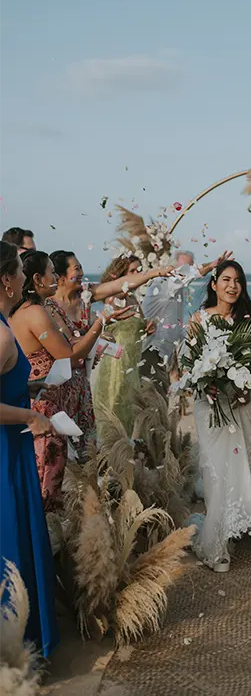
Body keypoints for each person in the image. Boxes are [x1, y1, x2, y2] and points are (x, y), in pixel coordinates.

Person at [9, 251, 132, 498]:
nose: (56, 277)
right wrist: (101, 323)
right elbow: (70, 356)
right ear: (38, 279)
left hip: (50, 401)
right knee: (47, 480)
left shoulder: (36, 309)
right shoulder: (34, 312)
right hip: (46, 406)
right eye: (52, 272)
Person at [185, 260, 251, 572]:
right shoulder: (199, 320)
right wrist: (205, 385)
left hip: (241, 401)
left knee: (246, 461)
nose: (232, 286)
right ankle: (217, 542)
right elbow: (189, 363)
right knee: (216, 466)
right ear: (213, 284)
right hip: (210, 405)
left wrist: (247, 388)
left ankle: (244, 522)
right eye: (225, 279)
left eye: (237, 280)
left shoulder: (250, 319)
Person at [0, 241, 59, 658]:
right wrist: (29, 417)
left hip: (12, 446)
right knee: (10, 533)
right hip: (6, 450)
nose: (25, 277)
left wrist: (29, 389)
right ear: (6, 281)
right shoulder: (2, 335)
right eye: (20, 270)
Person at [92, 254, 165, 438]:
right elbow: (104, 329)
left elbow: (138, 325)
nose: (136, 275)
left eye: (139, 271)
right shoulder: (112, 299)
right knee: (115, 405)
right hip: (116, 363)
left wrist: (149, 326)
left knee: (130, 407)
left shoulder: (133, 299)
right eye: (132, 271)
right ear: (120, 275)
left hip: (133, 362)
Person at [141, 250, 231, 392]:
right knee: (151, 399)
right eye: (184, 267)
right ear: (171, 267)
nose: (188, 271)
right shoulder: (164, 284)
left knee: (161, 398)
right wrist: (211, 266)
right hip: (151, 351)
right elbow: (192, 274)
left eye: (190, 267)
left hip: (165, 354)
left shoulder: (179, 287)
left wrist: (213, 264)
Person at [49, 250, 170, 335]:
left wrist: (156, 272)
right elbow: (68, 344)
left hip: (84, 368)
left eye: (81, 267)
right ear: (61, 276)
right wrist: (101, 326)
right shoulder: (50, 306)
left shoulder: (85, 293)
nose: (82, 273)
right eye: (77, 269)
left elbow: (120, 284)